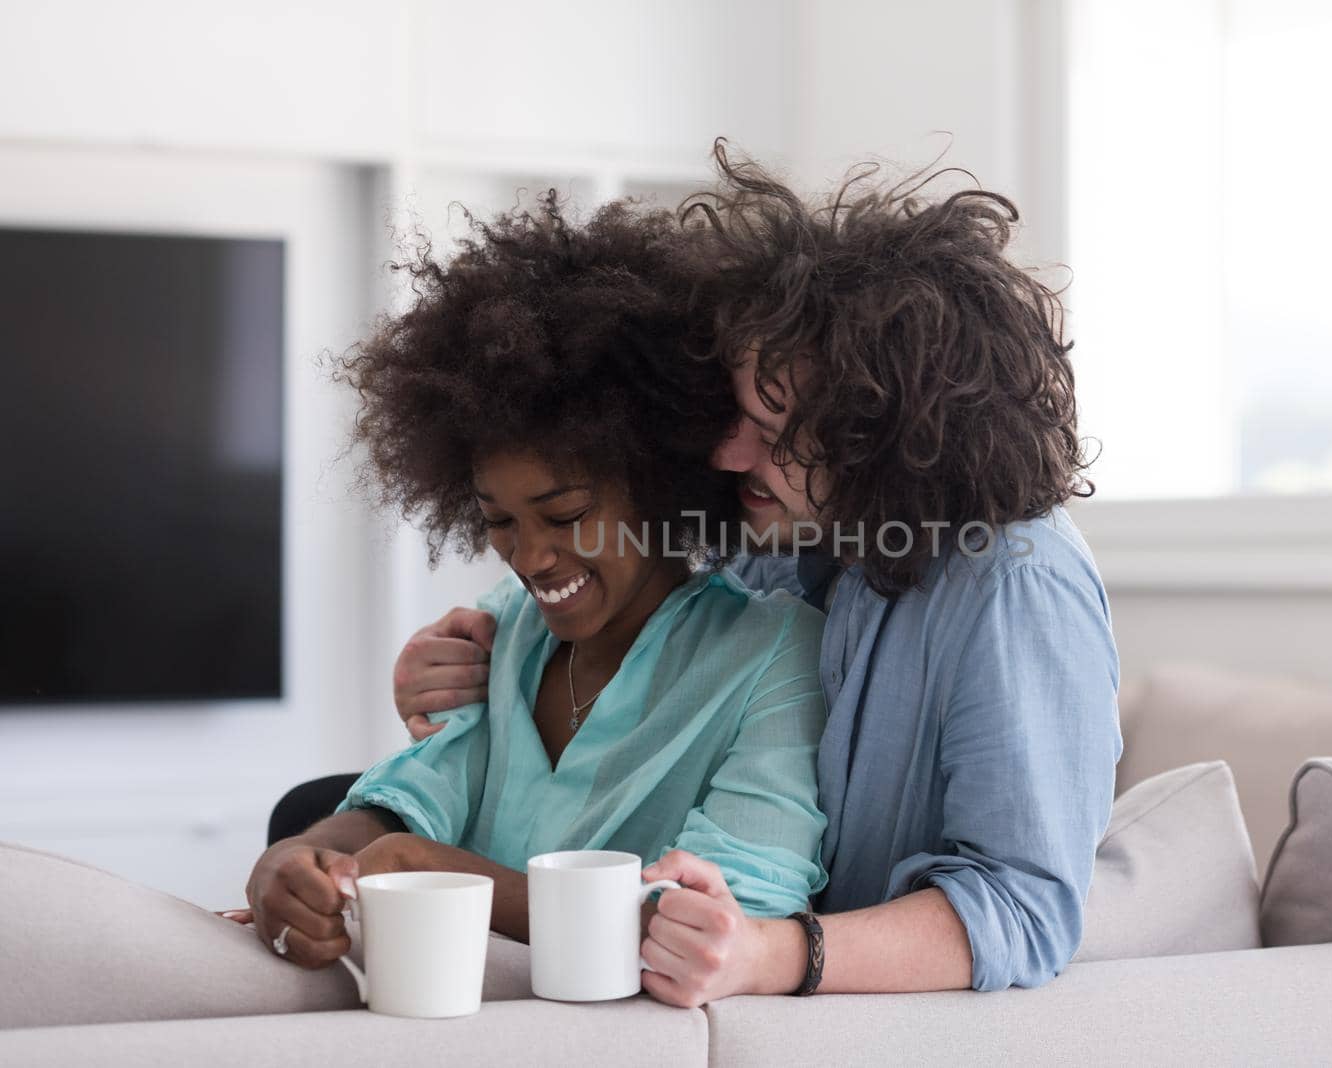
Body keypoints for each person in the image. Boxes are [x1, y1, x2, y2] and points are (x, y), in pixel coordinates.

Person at [323, 142, 1122, 1004]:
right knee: (320, 808)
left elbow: (1026, 908)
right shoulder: (795, 533)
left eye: (774, 435)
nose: (730, 451)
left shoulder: (1013, 586)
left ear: (883, 435)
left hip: (821, 982)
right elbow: (622, 598)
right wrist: (460, 661)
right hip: (687, 909)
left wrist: (770, 953)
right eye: (737, 415)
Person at [242, 193, 829, 985]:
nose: (532, 557)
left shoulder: (771, 654)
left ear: (658, 483)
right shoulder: (504, 631)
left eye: (566, 514)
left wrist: (441, 872)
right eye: (499, 520)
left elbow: (735, 916)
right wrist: (290, 861)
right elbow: (404, 803)